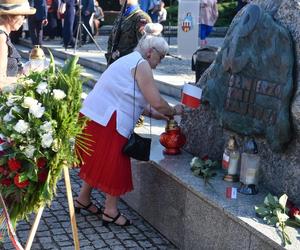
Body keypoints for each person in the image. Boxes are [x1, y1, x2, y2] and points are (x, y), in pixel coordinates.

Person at [75, 33, 184, 226]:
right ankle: (110, 211)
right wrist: (174, 110)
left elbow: (142, 104)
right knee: (114, 163)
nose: (162, 61)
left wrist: (163, 115)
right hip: (109, 119)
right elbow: (157, 102)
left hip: (96, 115)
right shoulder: (141, 65)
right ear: (151, 52)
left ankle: (83, 199)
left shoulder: (130, 60)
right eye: (162, 56)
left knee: (98, 160)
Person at [0, 0, 36, 87]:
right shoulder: (1, 39)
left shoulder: (3, 35)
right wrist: (27, 79)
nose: (24, 21)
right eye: (23, 16)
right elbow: (1, 81)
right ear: (9, 16)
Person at [106, 0, 151, 66]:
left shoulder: (141, 18)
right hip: (115, 64)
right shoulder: (122, 15)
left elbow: (144, 47)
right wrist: (111, 54)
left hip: (130, 67)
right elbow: (111, 39)